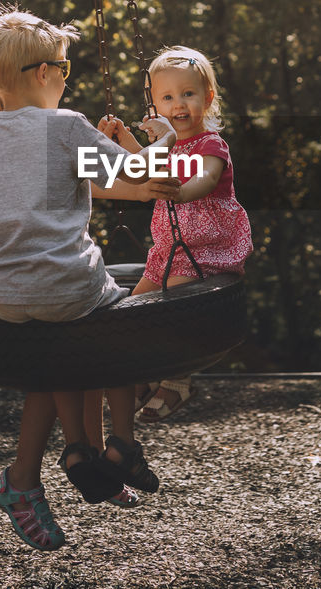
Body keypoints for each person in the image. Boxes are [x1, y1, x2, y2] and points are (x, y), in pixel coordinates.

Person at [0, 5, 179, 551]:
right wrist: (165, 140)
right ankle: (112, 445)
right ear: (45, 74)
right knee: (109, 316)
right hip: (66, 289)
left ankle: (81, 451)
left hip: (5, 294)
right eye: (67, 69)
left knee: (68, 340)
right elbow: (143, 182)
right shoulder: (64, 127)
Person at [98, 45, 254, 422]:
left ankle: (177, 379)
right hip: (169, 251)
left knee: (172, 308)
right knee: (131, 311)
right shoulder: (167, 144)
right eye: (167, 97)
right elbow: (140, 169)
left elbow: (206, 177)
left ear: (208, 98)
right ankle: (141, 376)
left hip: (206, 250)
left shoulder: (210, 144)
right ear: (154, 105)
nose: (178, 104)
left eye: (188, 94)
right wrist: (125, 143)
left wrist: (182, 192)